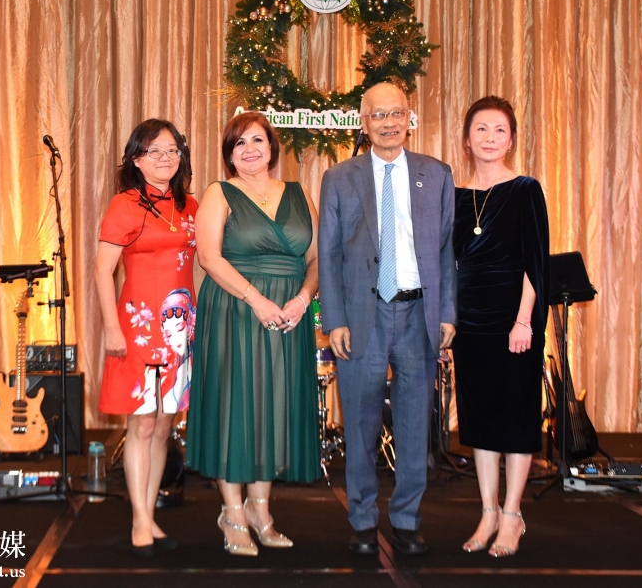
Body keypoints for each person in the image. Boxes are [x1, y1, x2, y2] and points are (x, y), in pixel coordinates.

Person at [318, 82, 457, 556]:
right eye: (378, 115)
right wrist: (334, 319)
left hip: (420, 315)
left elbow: (447, 251)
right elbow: (329, 254)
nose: (389, 123)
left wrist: (447, 313)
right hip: (363, 316)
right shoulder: (340, 178)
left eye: (397, 113)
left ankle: (407, 521)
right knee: (360, 424)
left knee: (415, 425)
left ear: (409, 118)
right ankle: (361, 521)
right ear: (364, 122)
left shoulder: (436, 174)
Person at [187, 111, 321, 556]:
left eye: (258, 140)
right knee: (233, 407)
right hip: (235, 310)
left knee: (274, 408)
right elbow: (209, 257)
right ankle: (232, 512)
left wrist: (303, 299)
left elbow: (316, 259)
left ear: (271, 148)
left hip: (289, 315)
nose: (250, 149)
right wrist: (256, 299)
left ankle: (260, 510)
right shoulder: (219, 192)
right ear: (229, 154)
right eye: (239, 143)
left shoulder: (299, 194)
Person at [452, 95, 549, 558]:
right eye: (481, 129)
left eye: (499, 130)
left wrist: (523, 320)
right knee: (480, 422)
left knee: (515, 419)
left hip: (514, 321)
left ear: (511, 140)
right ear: (467, 138)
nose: (490, 138)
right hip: (470, 324)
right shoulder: (456, 196)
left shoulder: (525, 189)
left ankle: (512, 515)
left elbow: (536, 262)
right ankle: (488, 511)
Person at [95, 119, 197, 557]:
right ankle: (139, 517)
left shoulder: (191, 206)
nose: (165, 158)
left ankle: (150, 513)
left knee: (164, 426)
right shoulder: (126, 204)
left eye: (172, 150)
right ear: (136, 159)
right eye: (154, 151)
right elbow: (102, 271)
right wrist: (111, 328)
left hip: (180, 330)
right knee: (142, 424)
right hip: (137, 327)